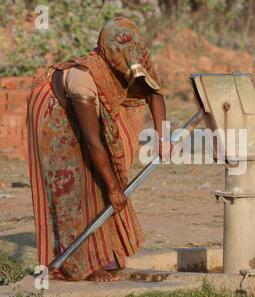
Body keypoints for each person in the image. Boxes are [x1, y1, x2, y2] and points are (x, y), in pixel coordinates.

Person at [27, 17, 170, 282]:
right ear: (109, 59)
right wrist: (114, 190)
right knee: (74, 184)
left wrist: (164, 136)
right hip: (53, 108)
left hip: (88, 106)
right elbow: (94, 142)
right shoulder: (84, 80)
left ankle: (107, 253)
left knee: (107, 175)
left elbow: (154, 92)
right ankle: (77, 263)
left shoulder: (133, 55)